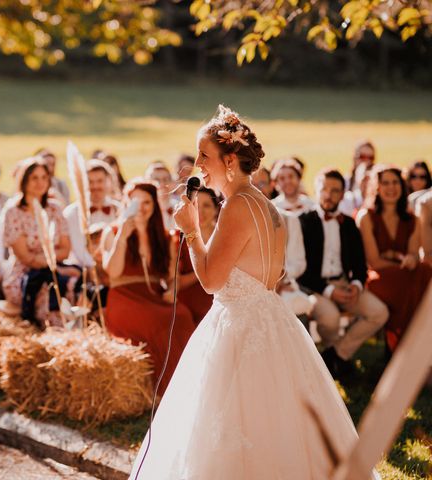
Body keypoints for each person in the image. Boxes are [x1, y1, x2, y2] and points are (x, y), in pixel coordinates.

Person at [130, 105, 378, 479]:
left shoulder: (237, 207)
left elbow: (212, 281)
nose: (197, 165)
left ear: (230, 160)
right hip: (273, 320)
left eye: (204, 156)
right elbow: (271, 274)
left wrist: (192, 231)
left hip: (238, 325)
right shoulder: (269, 208)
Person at [101, 181, 195, 396]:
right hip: (125, 298)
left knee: (180, 315)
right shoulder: (114, 231)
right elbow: (113, 272)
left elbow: (171, 277)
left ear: (154, 205)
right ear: (126, 204)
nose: (141, 208)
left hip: (152, 295)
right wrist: (123, 236)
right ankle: (163, 391)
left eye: (146, 202)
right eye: (135, 202)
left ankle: (184, 384)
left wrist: (172, 289)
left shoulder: (164, 236)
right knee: (157, 321)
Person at [292, 169, 388, 378]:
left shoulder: (350, 224)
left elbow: (360, 265)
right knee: (331, 318)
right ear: (317, 190)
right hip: (315, 287)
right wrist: (328, 291)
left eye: (335, 190)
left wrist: (356, 285)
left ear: (342, 195)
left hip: (344, 284)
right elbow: (300, 271)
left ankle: (335, 355)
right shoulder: (303, 222)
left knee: (379, 312)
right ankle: (339, 363)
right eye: (324, 189)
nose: (329, 194)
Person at [357, 165, 432, 352]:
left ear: (402, 186)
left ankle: (404, 348)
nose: (391, 187)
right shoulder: (366, 216)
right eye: (385, 183)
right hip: (377, 278)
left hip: (405, 276)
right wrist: (401, 262)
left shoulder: (412, 218)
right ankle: (408, 347)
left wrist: (410, 259)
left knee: (422, 271)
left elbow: (414, 253)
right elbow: (374, 261)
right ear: (377, 187)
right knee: (413, 281)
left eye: (395, 182)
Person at [1, 156, 73, 328]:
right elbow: (25, 256)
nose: (40, 182)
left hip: (54, 269)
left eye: (44, 177)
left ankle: (66, 333)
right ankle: (49, 332)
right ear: (24, 181)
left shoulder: (55, 208)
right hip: (24, 274)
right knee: (45, 291)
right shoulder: (14, 212)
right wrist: (48, 258)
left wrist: (50, 261)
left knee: (74, 285)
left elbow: (66, 249)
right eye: (34, 178)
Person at [64, 159, 119, 268]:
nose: (95, 186)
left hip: (114, 269)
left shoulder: (119, 209)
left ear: (108, 182)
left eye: (100, 181)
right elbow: (78, 250)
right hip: (82, 272)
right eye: (90, 182)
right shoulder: (71, 213)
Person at [176, 186, 219, 325]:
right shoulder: (178, 239)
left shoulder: (223, 237)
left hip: (218, 300)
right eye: (195, 205)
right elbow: (177, 282)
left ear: (216, 209)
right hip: (188, 304)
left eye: (206, 205)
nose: (200, 211)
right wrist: (205, 266)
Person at [145, 161, 177, 230]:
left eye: (166, 179)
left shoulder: (179, 207)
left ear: (172, 183)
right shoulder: (143, 211)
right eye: (156, 180)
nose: (162, 184)